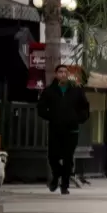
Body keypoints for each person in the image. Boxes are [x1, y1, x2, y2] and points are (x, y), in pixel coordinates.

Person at [37, 65, 90, 194]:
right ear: (56, 74)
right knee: (52, 156)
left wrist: (77, 119)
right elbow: (41, 109)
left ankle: (65, 185)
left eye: (65, 72)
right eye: (60, 72)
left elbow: (85, 108)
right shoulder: (49, 91)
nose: (63, 74)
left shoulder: (76, 90)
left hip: (71, 129)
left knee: (68, 157)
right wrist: (52, 116)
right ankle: (56, 176)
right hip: (55, 128)